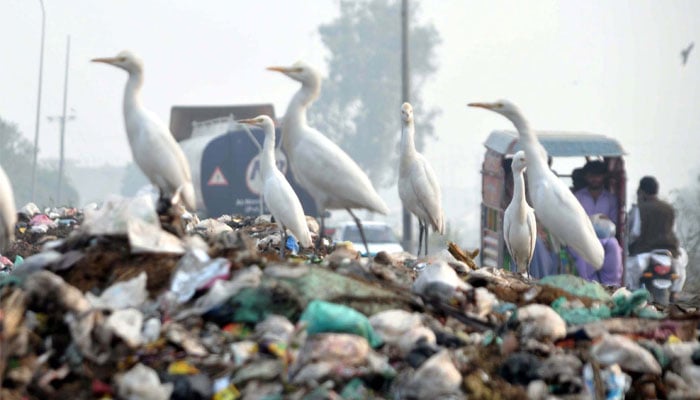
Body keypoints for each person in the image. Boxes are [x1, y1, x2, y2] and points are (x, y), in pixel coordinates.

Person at [626, 176, 685, 301]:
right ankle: (675, 293)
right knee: (681, 266)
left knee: (629, 271)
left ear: (641, 191)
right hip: (670, 252)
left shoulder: (639, 209)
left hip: (645, 251)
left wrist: (629, 245)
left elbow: (635, 233)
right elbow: (673, 231)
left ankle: (633, 295)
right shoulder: (669, 209)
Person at [574, 160, 618, 224]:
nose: (595, 179)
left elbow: (614, 222)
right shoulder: (577, 197)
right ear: (585, 177)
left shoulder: (611, 199)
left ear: (604, 176)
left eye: (598, 176)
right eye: (591, 176)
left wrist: (606, 220)